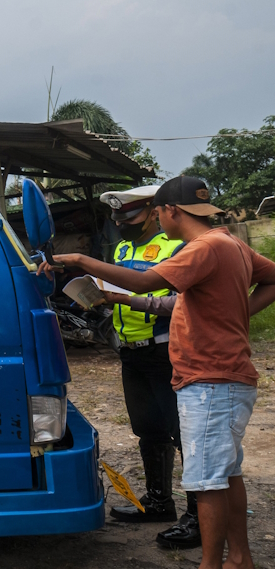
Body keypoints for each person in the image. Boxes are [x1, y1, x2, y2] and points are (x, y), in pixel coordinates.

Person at [40, 176, 275, 569]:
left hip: (210, 381)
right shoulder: (231, 245)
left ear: (168, 211)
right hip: (224, 378)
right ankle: (239, 565)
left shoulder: (202, 248)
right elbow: (173, 302)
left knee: (206, 478)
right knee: (227, 473)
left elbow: (149, 284)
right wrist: (110, 297)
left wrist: (79, 260)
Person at [95, 186, 199, 549]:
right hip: (131, 352)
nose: (122, 226)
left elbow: (179, 301)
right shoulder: (122, 249)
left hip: (166, 350)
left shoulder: (177, 248)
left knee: (184, 434)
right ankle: (158, 502)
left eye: (130, 219)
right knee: (148, 429)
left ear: (154, 213)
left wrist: (126, 297)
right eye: (118, 220)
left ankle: (198, 518)